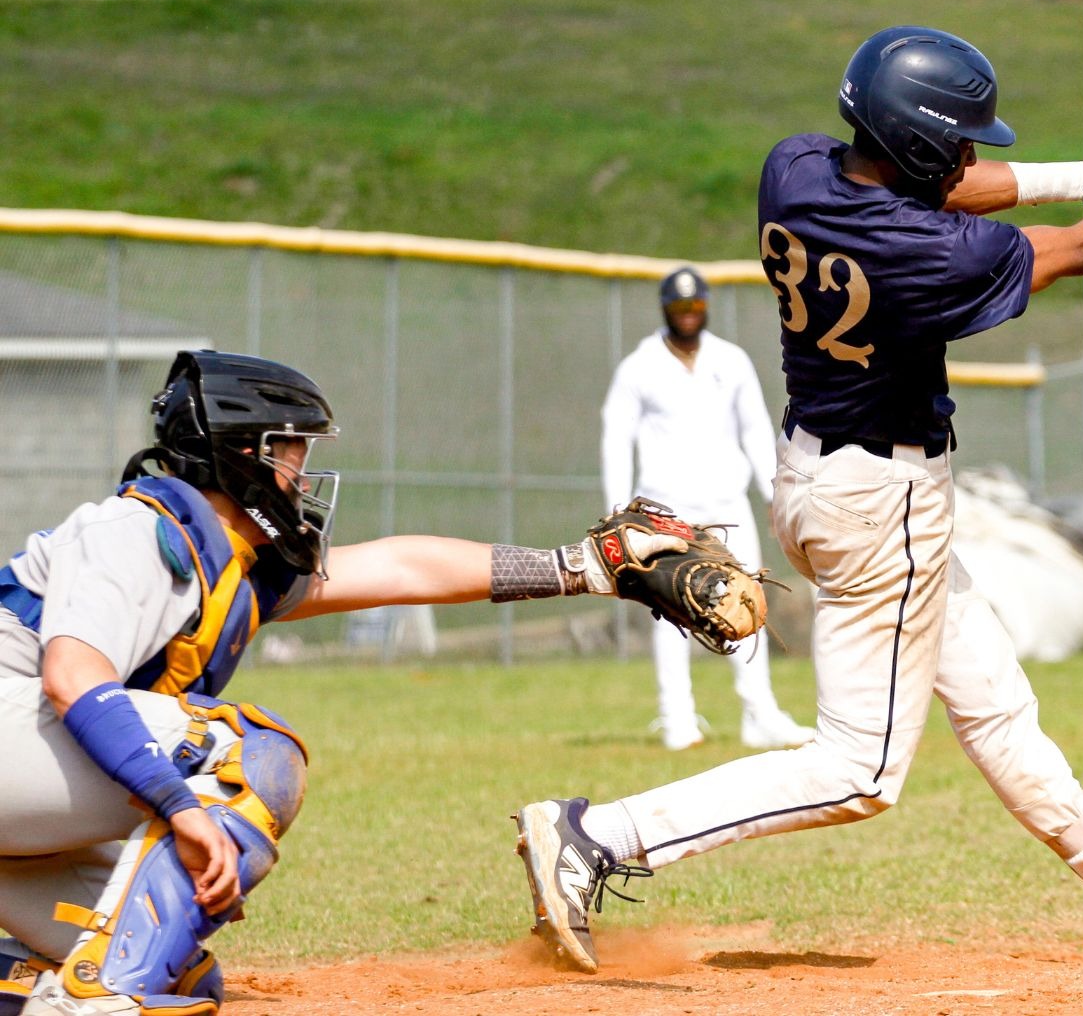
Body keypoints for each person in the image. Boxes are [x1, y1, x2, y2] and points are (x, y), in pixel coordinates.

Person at [513, 25, 1083, 975]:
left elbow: (945, 186)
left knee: (996, 707)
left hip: (815, 479)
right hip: (880, 500)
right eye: (962, 139)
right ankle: (603, 834)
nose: (974, 157)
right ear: (923, 144)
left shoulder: (795, 169)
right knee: (859, 770)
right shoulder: (933, 255)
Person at [0, 351, 690, 1015]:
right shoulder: (138, 531)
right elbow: (73, 676)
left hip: (22, 766)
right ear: (241, 452)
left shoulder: (236, 565)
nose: (301, 475)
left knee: (174, 967)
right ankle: (96, 1003)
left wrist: (582, 567)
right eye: (288, 451)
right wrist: (180, 808)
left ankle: (68, 986)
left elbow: (402, 570)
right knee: (251, 752)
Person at [601, 267, 812, 751]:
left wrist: (773, 494)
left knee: (746, 603)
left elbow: (756, 430)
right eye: (679, 308)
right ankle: (677, 717)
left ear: (707, 306)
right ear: (664, 310)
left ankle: (760, 714)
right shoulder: (640, 367)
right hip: (665, 511)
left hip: (727, 503)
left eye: (695, 307)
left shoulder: (730, 361)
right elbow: (617, 439)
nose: (688, 316)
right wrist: (617, 514)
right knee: (670, 609)